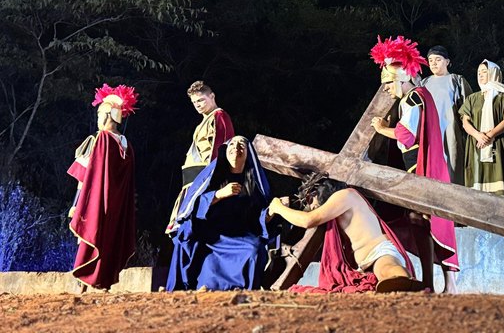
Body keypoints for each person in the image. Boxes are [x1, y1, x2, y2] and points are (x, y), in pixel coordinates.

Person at [369, 35, 460, 293]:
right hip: (418, 168)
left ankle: (449, 284)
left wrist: (382, 128)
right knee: (418, 221)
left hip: (422, 170)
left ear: (403, 77)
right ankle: (430, 283)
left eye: (388, 82)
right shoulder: (420, 96)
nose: (386, 88)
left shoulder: (413, 98)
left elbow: (407, 136)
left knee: (431, 221)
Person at [269, 171, 423, 293]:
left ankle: (406, 283)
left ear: (315, 193)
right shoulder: (338, 206)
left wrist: (278, 207)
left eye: (311, 202)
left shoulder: (345, 195)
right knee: (382, 279)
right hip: (367, 262)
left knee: (387, 270)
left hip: (379, 252)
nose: (314, 207)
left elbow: (308, 220)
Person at [166, 136, 273, 291]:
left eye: (241, 144)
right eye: (232, 144)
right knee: (197, 247)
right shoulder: (213, 177)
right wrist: (218, 195)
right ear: (225, 150)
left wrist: (272, 211)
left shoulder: (254, 184)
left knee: (254, 250)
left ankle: (245, 293)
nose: (236, 147)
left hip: (240, 238)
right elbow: (192, 207)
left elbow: (258, 217)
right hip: (213, 237)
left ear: (249, 154)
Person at [67, 84, 138, 291]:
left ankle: (89, 283)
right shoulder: (126, 144)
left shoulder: (104, 139)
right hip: (115, 205)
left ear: (110, 115)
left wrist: (77, 203)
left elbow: (86, 176)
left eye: (101, 114)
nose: (98, 119)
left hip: (100, 201)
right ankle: (97, 283)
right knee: (106, 237)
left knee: (96, 234)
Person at [166, 81, 234, 234]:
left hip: (206, 177)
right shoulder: (202, 123)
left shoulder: (219, 116)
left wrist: (213, 179)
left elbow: (220, 147)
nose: (197, 104)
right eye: (194, 102)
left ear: (212, 96)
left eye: (201, 100)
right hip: (192, 179)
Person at [459, 60, 504, 196]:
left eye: (484, 72)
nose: (480, 75)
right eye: (479, 72)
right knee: (477, 190)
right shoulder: (472, 98)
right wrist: (478, 135)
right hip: (476, 146)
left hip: (498, 145)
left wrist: (489, 135)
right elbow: (465, 122)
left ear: (493, 74)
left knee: (501, 187)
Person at [421, 45, 473, 185]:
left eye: (438, 59)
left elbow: (468, 108)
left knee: (452, 163)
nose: (433, 63)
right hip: (429, 132)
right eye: (430, 60)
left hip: (450, 130)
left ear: (447, 62)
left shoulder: (456, 80)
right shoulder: (424, 83)